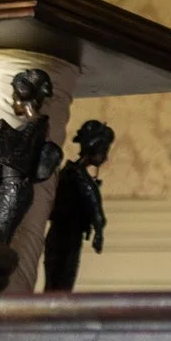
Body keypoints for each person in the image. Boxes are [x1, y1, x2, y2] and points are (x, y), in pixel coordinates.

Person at [0, 68, 61, 241]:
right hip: (8, 187)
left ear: (23, 99)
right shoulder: (30, 126)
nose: (13, 104)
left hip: (14, 190)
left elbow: (20, 152)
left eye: (14, 99)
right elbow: (13, 156)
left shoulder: (37, 125)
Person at [43, 119, 113, 291]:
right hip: (66, 237)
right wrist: (98, 232)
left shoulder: (70, 173)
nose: (105, 157)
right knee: (61, 281)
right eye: (104, 151)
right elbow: (96, 208)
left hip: (63, 235)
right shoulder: (79, 177)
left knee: (58, 281)